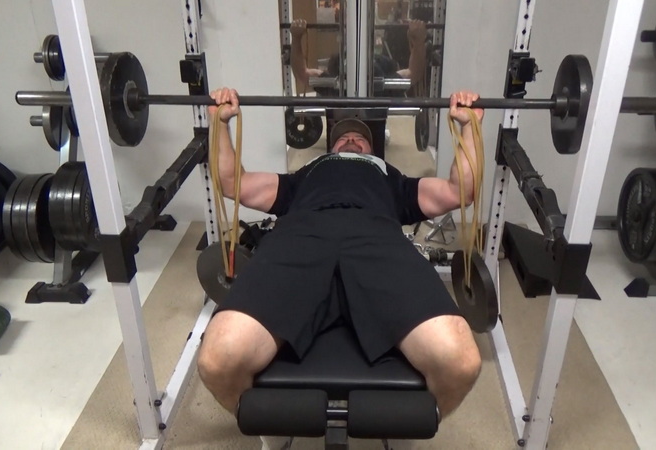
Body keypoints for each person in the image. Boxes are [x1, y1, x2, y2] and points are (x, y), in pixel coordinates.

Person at [197, 88, 483, 441]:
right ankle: (269, 433)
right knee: (217, 358)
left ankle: (406, 426)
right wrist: (219, 123)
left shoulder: (392, 179)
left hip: (378, 241)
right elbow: (229, 182)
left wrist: (469, 126)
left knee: (462, 361)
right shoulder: (302, 176)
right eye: (343, 137)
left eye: (359, 138)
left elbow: (460, 191)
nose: (351, 140)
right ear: (330, 150)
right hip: (300, 238)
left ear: (373, 151)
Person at [289, 18, 428, 97]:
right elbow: (303, 73)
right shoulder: (335, 82)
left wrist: (419, 41)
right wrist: (295, 38)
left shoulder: (381, 80)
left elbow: (413, 74)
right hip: (341, 126)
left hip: (373, 126)